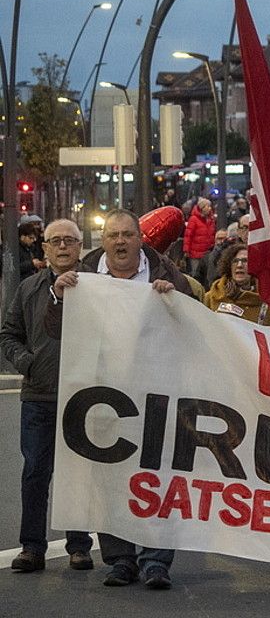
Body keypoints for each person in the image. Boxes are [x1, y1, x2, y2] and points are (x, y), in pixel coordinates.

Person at [75, 209, 195, 589]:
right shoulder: (83, 277)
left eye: (128, 234)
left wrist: (175, 301)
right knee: (111, 477)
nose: (121, 242)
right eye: (113, 235)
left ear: (141, 238)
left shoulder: (167, 274)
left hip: (157, 391)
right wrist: (60, 296)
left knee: (156, 476)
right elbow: (55, 330)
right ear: (103, 241)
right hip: (104, 395)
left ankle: (156, 560)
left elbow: (194, 326)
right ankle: (121, 559)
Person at [1, 219, 94, 574]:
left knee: (79, 473)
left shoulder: (98, 287)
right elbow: (9, 334)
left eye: (70, 240)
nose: (63, 246)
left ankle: (80, 546)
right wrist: (28, 363)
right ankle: (32, 546)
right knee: (35, 473)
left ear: (80, 245)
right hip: (39, 395)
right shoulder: (29, 289)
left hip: (84, 396)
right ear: (45, 247)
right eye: (56, 241)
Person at [202, 244, 270, 324]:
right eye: (235, 261)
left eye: (245, 261)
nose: (239, 265)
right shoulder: (211, 297)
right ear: (229, 266)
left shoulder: (265, 303)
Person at [183, 197, 216, 268]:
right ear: (202, 208)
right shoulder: (194, 219)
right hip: (196, 254)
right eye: (208, 206)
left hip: (207, 253)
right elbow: (188, 235)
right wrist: (186, 250)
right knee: (196, 273)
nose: (210, 208)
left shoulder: (211, 220)